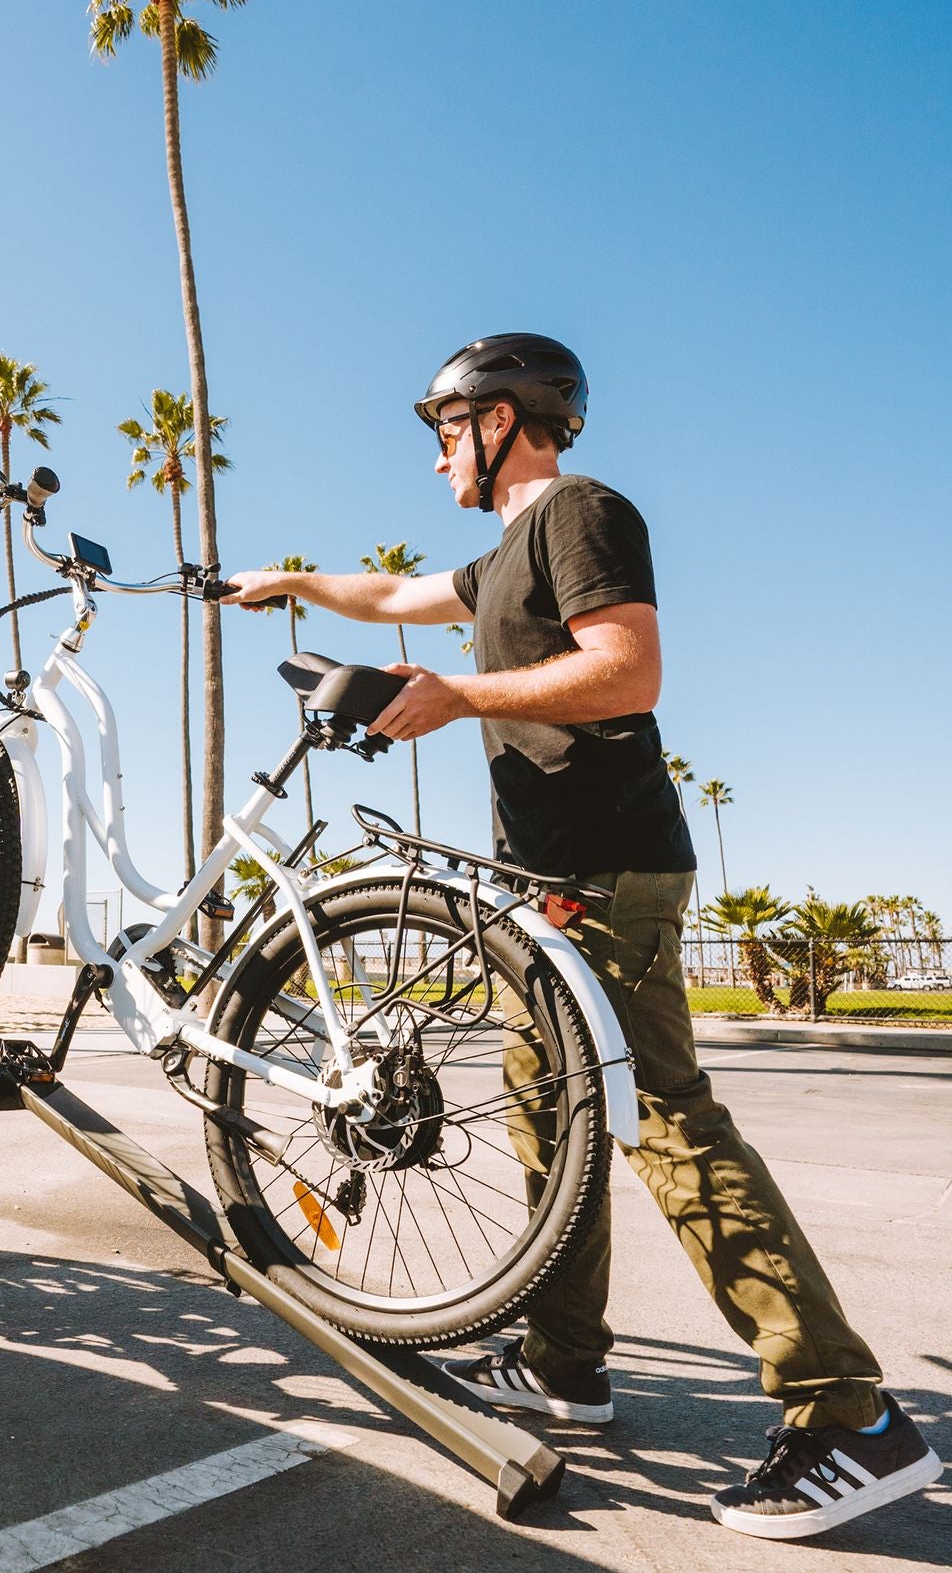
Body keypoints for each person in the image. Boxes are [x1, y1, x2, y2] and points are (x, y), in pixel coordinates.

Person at [221, 333, 941, 1540]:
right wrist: (289, 585)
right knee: (545, 1113)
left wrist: (459, 696)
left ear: (504, 419)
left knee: (662, 1120)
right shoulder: (504, 552)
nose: (438, 446)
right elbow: (394, 596)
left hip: (610, 872)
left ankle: (848, 1417)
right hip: (549, 883)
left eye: (445, 423)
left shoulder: (581, 513)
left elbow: (625, 668)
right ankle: (566, 1367)